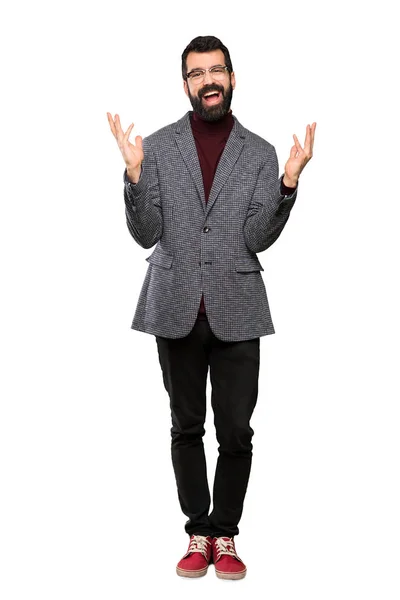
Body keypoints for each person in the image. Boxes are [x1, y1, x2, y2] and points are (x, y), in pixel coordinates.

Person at [107, 35, 316, 581]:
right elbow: (145, 233)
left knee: (237, 432)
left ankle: (227, 534)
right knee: (185, 426)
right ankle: (198, 531)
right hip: (174, 303)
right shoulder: (155, 146)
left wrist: (288, 183)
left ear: (232, 77)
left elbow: (257, 236)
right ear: (185, 85)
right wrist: (133, 175)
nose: (209, 80)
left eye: (217, 70)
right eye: (197, 73)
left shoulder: (261, 152)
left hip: (238, 307)